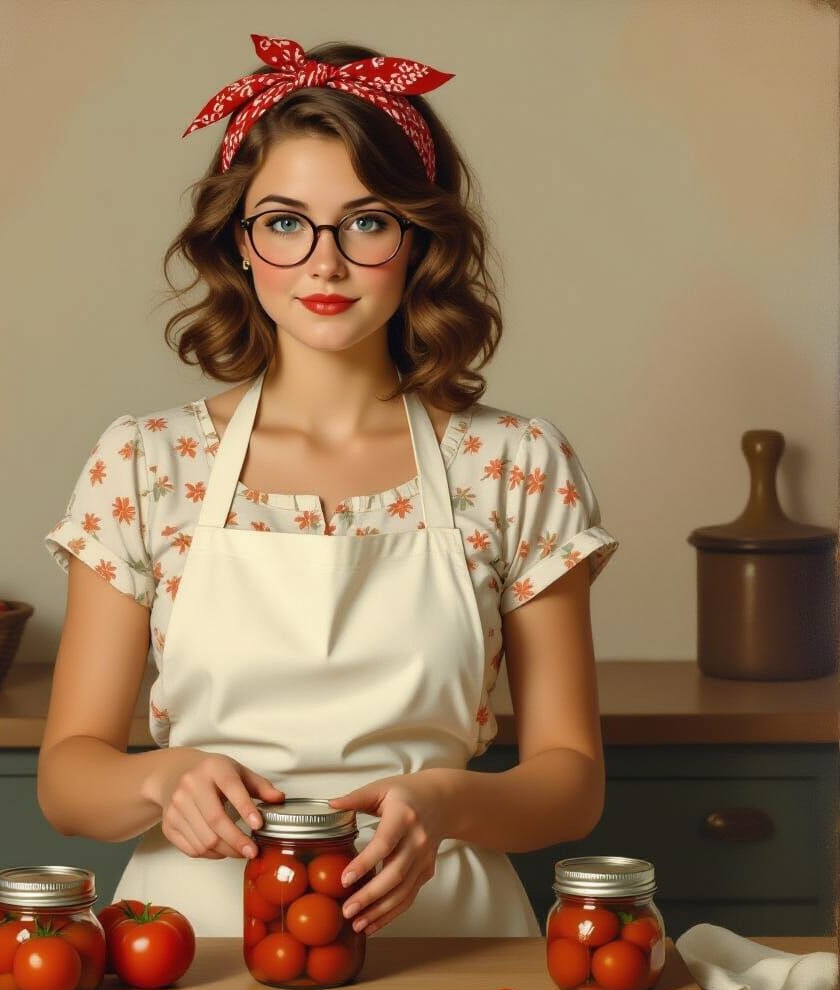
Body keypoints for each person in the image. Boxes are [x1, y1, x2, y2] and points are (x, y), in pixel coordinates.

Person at [38, 33, 619, 939]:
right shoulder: (147, 464)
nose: (324, 262)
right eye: (283, 221)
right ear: (239, 243)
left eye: (367, 220)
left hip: (449, 938)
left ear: (419, 236)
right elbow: (69, 776)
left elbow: (571, 779)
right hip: (194, 944)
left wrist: (447, 805)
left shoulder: (515, 465)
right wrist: (160, 778)